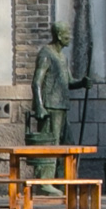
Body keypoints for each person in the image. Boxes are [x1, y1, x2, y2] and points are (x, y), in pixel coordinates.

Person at [27, 25, 72, 159]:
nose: (69, 37)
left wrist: (83, 82)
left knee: (69, 144)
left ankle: (65, 179)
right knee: (53, 147)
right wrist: (40, 106)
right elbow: (36, 82)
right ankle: (49, 179)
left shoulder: (63, 57)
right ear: (58, 36)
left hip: (62, 107)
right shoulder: (46, 54)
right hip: (51, 107)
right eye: (66, 34)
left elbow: (69, 81)